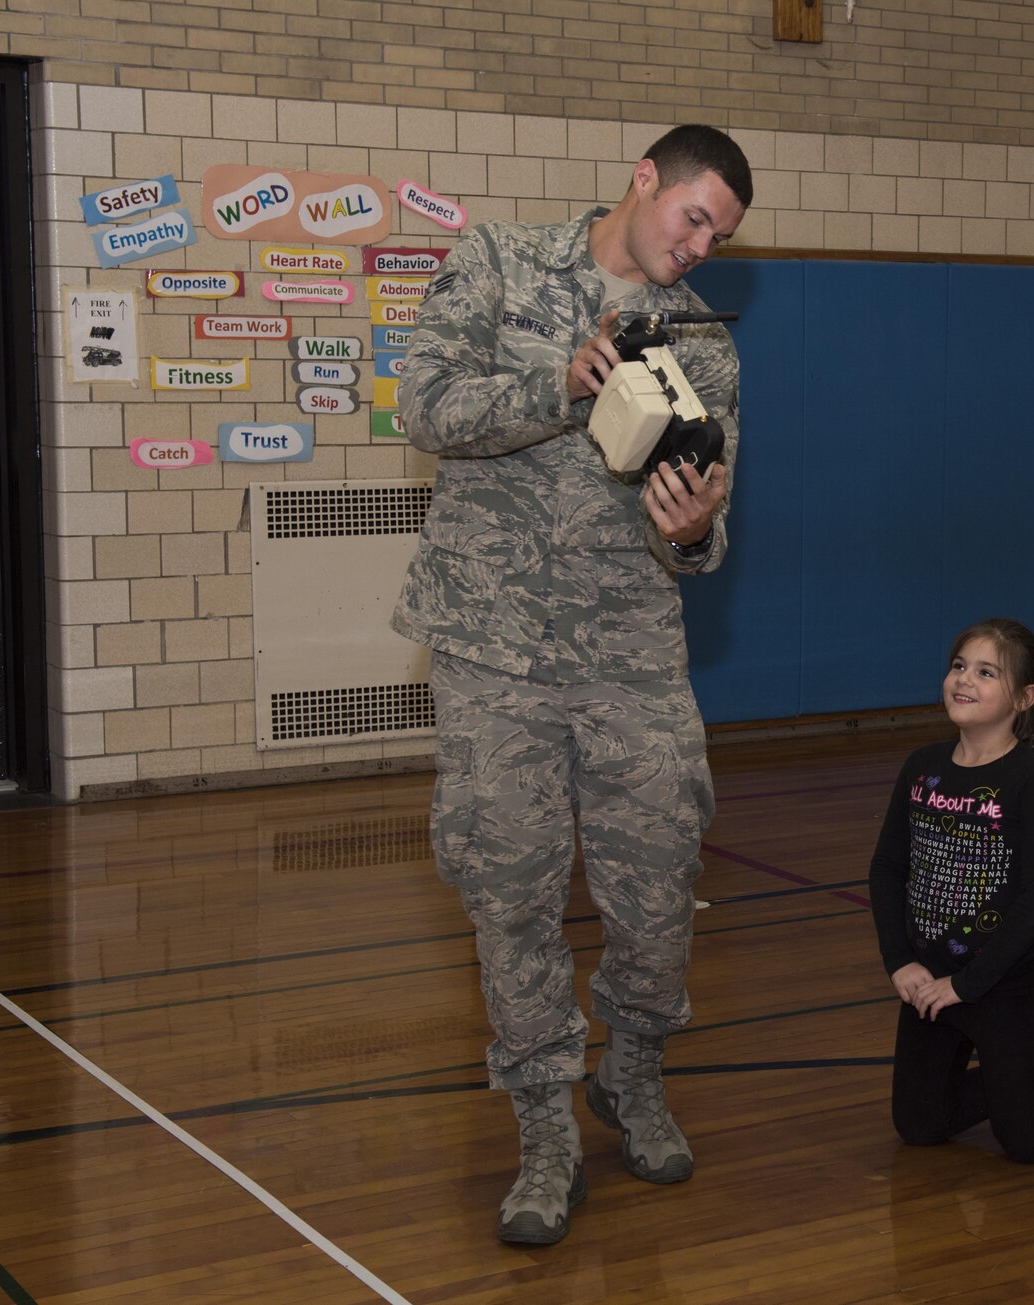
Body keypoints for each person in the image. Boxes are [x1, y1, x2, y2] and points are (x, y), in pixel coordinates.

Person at [393, 124, 753, 1246]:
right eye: (694, 218)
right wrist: (556, 383)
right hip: (492, 650)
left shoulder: (705, 345)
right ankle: (544, 1127)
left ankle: (631, 1076)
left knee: (658, 888)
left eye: (721, 236)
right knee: (510, 895)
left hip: (630, 655)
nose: (700, 247)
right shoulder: (500, 263)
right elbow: (422, 407)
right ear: (644, 179)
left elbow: (708, 529)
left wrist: (689, 531)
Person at [867, 619, 1034, 1167]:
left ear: (1024, 697)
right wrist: (900, 960)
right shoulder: (922, 767)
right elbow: (886, 868)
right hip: (930, 985)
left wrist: (968, 984)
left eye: (985, 672)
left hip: (1004, 987)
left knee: (1026, 1143)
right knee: (919, 1126)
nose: (963, 680)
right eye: (959, 666)